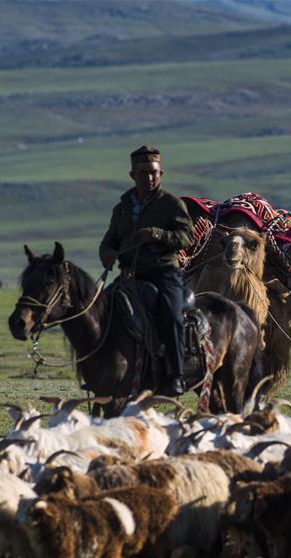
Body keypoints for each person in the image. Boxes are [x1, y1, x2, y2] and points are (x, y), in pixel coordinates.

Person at [99, 145, 195, 395]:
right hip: (130, 274)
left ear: (161, 173)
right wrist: (107, 254)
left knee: (172, 316)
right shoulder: (122, 208)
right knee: (101, 311)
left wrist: (157, 234)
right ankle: (103, 370)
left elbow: (187, 237)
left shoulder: (171, 204)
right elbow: (110, 240)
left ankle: (176, 375)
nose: (149, 178)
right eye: (143, 173)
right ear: (132, 175)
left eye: (154, 173)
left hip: (164, 272)